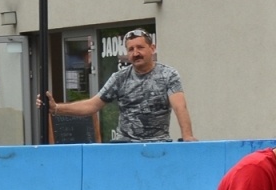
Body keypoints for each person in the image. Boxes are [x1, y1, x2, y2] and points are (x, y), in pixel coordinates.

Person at [43, 28, 197, 143]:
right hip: (124, 146)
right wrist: (56, 108)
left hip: (158, 145)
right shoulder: (119, 78)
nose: (135, 53)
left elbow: (179, 107)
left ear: (152, 48)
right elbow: (92, 105)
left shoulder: (168, 75)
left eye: (140, 47)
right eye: (131, 49)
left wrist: (188, 137)